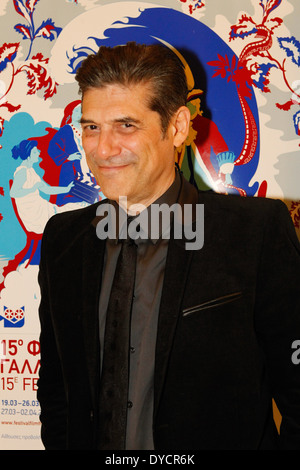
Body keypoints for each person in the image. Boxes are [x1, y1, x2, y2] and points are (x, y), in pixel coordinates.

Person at [37, 42, 300, 450]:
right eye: (91, 127)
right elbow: (57, 392)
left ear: (176, 127)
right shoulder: (63, 239)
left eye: (126, 125)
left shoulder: (254, 233)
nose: (102, 149)